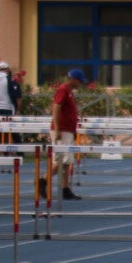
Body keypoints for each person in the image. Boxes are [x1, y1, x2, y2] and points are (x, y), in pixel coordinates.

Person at [50, 67, 83, 201]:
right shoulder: (63, 90)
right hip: (62, 130)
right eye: (80, 81)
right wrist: (58, 128)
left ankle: (65, 188)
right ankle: (43, 181)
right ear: (74, 79)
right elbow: (56, 107)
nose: (81, 84)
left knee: (67, 161)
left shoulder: (69, 92)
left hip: (68, 130)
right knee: (62, 160)